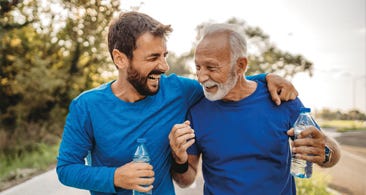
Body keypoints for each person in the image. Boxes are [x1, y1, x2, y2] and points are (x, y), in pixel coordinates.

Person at [56, 11, 299, 195]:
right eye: (153, 58)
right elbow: (66, 169)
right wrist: (115, 177)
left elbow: (226, 82)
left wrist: (265, 78)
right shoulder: (86, 106)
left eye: (164, 55)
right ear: (120, 59)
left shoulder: (179, 91)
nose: (163, 66)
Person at [169, 23, 341, 194]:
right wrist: (179, 160)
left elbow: (331, 152)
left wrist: (325, 152)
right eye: (197, 67)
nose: (201, 77)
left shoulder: (281, 98)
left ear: (240, 66)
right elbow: (186, 181)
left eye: (211, 68)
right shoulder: (196, 112)